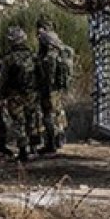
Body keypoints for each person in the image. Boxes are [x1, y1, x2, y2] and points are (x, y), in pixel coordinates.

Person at [35, 18, 75, 154]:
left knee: (48, 114)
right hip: (58, 86)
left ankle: (51, 143)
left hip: (49, 87)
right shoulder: (59, 44)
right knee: (58, 111)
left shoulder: (45, 41)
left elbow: (45, 70)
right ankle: (60, 138)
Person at [0, 25, 37, 162]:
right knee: (31, 120)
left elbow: (4, 80)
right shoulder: (32, 55)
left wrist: (1, 96)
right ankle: (34, 148)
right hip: (31, 94)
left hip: (15, 95)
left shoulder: (9, 59)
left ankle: (22, 152)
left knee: (18, 122)